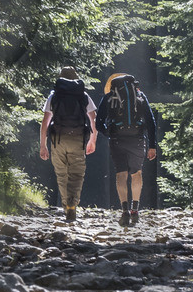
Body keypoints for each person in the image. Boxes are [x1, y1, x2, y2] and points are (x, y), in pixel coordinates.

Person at [100, 69, 159, 227]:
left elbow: (99, 123)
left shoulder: (108, 97)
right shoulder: (140, 95)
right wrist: (152, 146)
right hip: (138, 139)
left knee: (121, 174)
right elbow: (151, 122)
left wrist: (110, 132)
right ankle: (135, 210)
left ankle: (124, 211)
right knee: (136, 174)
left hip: (117, 140)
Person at [39, 64, 96, 222]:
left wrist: (43, 145)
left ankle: (66, 205)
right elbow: (93, 119)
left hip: (58, 139)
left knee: (62, 174)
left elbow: (45, 123)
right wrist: (93, 140)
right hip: (78, 139)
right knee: (77, 174)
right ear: (75, 77)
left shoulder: (54, 96)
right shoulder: (83, 95)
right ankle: (73, 204)